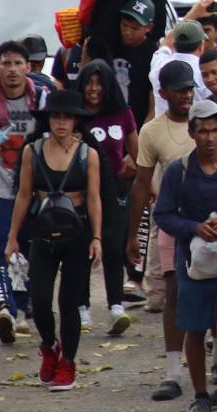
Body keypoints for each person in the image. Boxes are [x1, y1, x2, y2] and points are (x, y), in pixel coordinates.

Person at [153, 100, 217, 412]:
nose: (210, 137)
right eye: (204, 131)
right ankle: (200, 396)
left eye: (216, 130)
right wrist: (196, 228)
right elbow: (163, 215)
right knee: (195, 329)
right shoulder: (177, 171)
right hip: (193, 266)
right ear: (192, 133)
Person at [4, 90, 102, 392]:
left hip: (77, 234)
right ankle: (49, 345)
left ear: (76, 121)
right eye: (56, 116)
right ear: (48, 119)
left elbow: (95, 198)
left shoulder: (88, 154)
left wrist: (97, 237)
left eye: (67, 117)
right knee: (41, 300)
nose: (61, 122)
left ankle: (68, 362)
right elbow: (23, 195)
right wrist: (12, 238)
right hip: (43, 233)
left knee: (69, 302)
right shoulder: (32, 151)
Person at [126, 60, 198, 402]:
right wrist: (133, 238)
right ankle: (172, 372)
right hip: (170, 222)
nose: (187, 95)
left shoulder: (211, 120)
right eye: (180, 89)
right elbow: (141, 185)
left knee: (213, 293)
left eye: (189, 88)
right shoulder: (152, 132)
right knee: (175, 293)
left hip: (211, 224)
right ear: (163, 93)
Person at [0, 40, 43, 344]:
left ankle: (23, 306)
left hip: (31, 189)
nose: (12, 70)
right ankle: (4, 310)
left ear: (28, 67)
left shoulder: (42, 98)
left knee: (30, 248)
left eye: (18, 64)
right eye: (6, 63)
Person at [75, 60, 138, 336]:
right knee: (81, 249)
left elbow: (138, 154)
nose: (94, 88)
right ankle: (81, 308)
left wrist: (134, 165)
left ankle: (115, 306)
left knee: (113, 248)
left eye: (99, 82)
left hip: (115, 191)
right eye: (89, 81)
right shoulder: (75, 115)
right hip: (81, 191)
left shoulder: (123, 113)